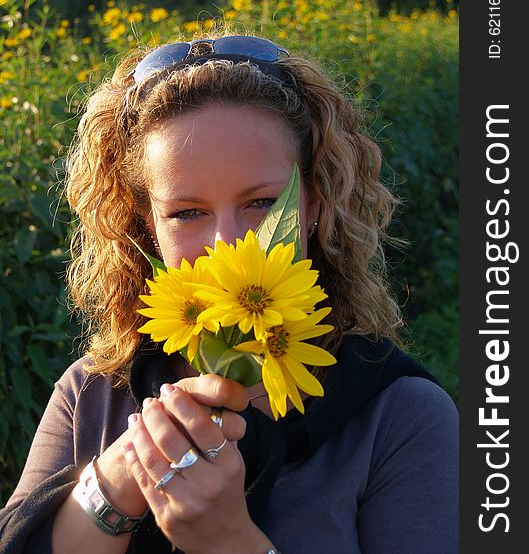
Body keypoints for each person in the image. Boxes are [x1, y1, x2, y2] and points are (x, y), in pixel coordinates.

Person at [0, 32, 458, 553]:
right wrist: (117, 483)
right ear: (147, 225)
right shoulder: (90, 396)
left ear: (312, 207)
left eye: (262, 203)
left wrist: (227, 541)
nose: (227, 246)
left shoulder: (401, 419)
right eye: (187, 212)